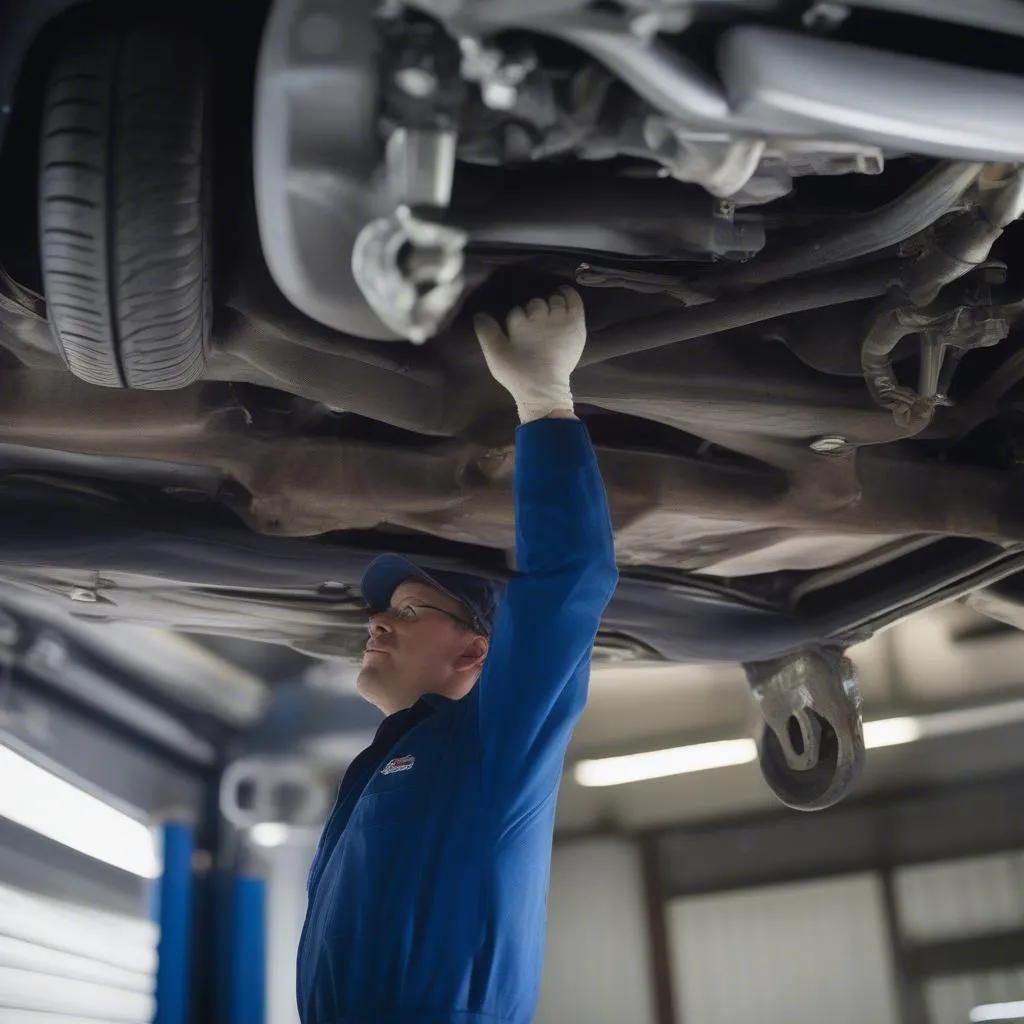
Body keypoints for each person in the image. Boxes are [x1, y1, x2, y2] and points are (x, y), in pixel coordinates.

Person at [296, 286, 618, 1024]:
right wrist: (546, 402)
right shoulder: (492, 749)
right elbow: (568, 589)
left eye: (399, 611)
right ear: (476, 650)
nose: (378, 625)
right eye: (406, 609)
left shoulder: (393, 765)